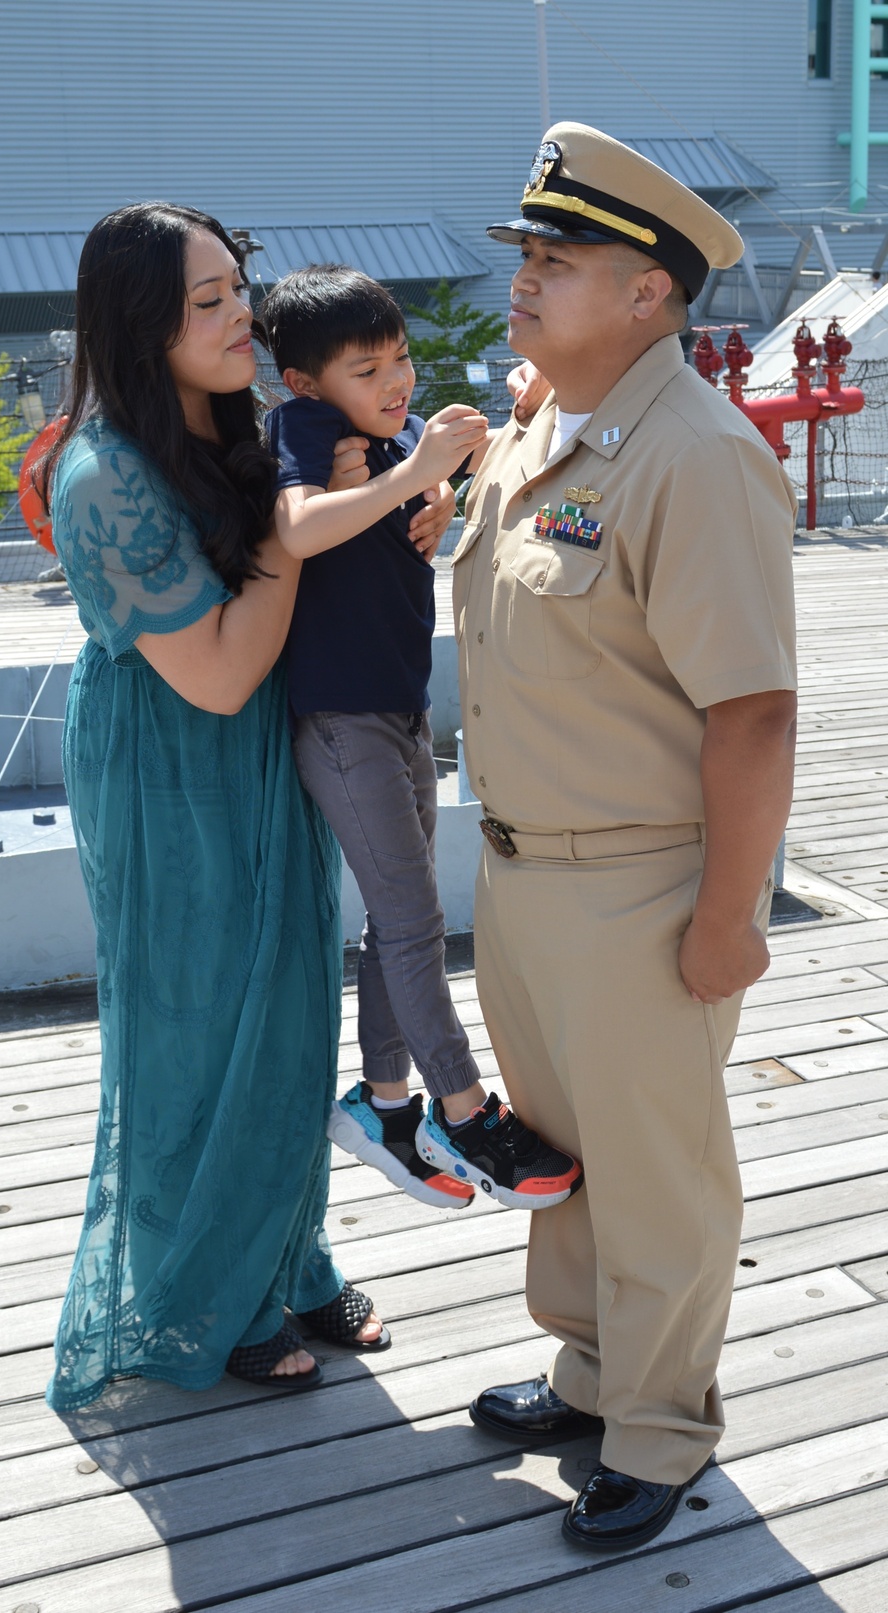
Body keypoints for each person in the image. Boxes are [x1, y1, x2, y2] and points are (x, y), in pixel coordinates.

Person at [455, 125, 797, 1550]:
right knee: (569, 1156)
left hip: (642, 888)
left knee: (658, 1174)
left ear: (650, 293)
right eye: (527, 256)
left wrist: (730, 918)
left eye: (559, 260)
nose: (524, 281)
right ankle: (593, 1375)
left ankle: (659, 1429)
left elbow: (755, 714)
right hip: (528, 874)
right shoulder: (548, 424)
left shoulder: (696, 457)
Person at [41, 203, 392, 1409]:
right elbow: (223, 664)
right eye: (207, 301)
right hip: (170, 767)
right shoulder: (104, 473)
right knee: (193, 1030)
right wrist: (296, 522)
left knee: (291, 1012)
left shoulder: (240, 423)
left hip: (263, 755)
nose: (241, 311)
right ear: (141, 323)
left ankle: (290, 1257)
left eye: (235, 287)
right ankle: (204, 1289)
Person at [259, 265, 583, 1215]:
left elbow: (387, 534)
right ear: (305, 383)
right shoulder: (306, 432)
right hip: (340, 716)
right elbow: (299, 527)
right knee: (413, 923)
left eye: (399, 357)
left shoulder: (384, 437)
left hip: (397, 710)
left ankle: (386, 1100)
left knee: (396, 921)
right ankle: (464, 1107)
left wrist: (432, 509)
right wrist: (414, 474)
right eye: (368, 368)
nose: (396, 381)